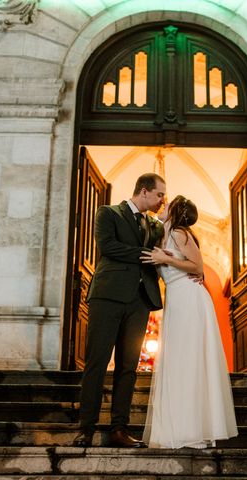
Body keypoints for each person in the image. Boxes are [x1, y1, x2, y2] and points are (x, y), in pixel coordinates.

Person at [73, 173, 166, 448]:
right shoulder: (108, 213)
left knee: (128, 368)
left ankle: (119, 430)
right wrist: (145, 254)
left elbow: (164, 250)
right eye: (160, 194)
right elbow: (107, 247)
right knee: (96, 363)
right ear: (145, 191)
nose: (163, 200)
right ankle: (86, 429)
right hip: (108, 296)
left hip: (140, 300)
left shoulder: (155, 224)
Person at [140, 195, 238, 449]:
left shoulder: (181, 233)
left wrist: (166, 259)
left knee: (189, 359)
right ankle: (176, 428)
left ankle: (194, 429)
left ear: (176, 213)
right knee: (177, 360)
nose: (163, 207)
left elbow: (197, 267)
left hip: (191, 298)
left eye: (168, 205)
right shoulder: (163, 234)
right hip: (177, 299)